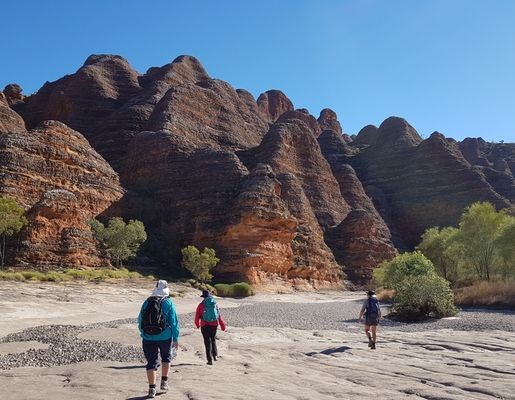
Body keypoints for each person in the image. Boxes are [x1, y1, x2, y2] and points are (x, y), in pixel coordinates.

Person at [138, 280, 179, 398]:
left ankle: (151, 389)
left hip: (148, 337)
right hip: (165, 336)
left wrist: (144, 333)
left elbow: (140, 320)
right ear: (166, 289)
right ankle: (164, 382)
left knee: (151, 362)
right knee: (166, 358)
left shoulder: (147, 302)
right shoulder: (168, 302)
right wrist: (176, 338)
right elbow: (174, 322)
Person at [194, 290, 226, 365]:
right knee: (213, 339)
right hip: (214, 325)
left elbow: (197, 316)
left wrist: (197, 325)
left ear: (203, 297)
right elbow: (218, 315)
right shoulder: (214, 304)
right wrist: (222, 325)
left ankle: (209, 360)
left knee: (207, 342)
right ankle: (215, 355)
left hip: (204, 325)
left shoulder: (201, 305)